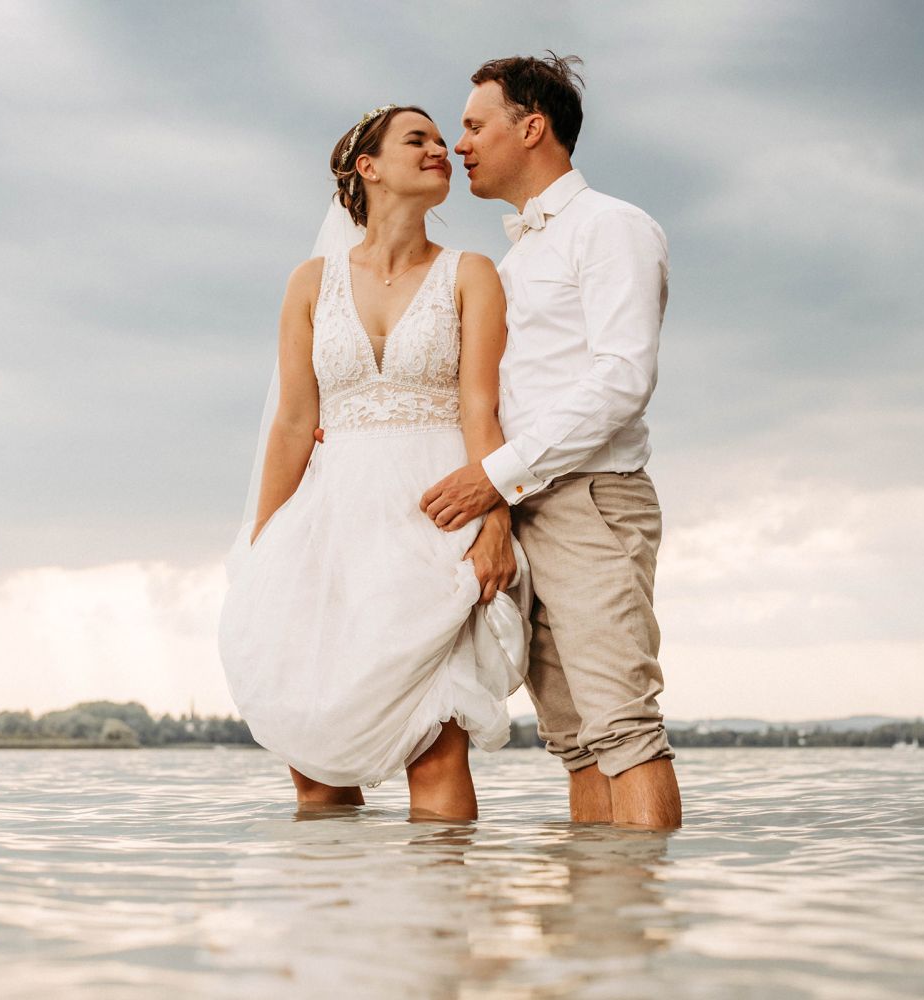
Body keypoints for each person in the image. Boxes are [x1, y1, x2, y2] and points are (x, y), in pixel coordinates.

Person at [217, 104, 532, 822]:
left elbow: (483, 411)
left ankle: (441, 928)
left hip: (435, 518)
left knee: (437, 744)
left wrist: (495, 525)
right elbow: (295, 422)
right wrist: (261, 546)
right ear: (369, 167)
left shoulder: (471, 274)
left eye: (440, 140)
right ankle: (340, 926)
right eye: (416, 140)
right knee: (315, 760)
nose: (441, 149)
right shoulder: (309, 283)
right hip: (330, 528)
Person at [420, 54, 684, 830]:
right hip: (526, 507)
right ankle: (590, 936)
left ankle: (636, 932)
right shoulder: (516, 256)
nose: (459, 143)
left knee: (623, 727)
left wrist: (494, 476)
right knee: (573, 739)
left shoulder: (613, 226)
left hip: (591, 501)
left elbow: (622, 378)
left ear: (531, 126)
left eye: (473, 125)